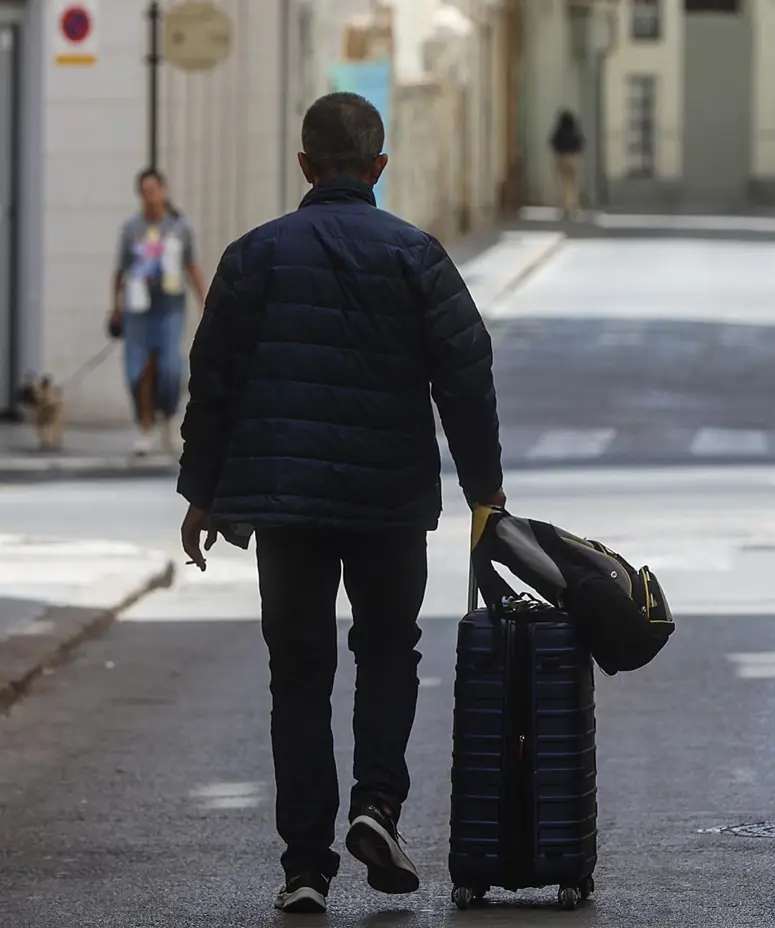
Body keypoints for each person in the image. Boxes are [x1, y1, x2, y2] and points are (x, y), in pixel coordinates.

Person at [175, 91, 506, 914]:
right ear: (378, 168)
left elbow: (210, 382)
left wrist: (201, 493)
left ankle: (304, 868)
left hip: (285, 507)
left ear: (303, 166)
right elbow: (466, 378)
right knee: (389, 652)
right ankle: (377, 805)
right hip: (389, 502)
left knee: (298, 674)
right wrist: (484, 494)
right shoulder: (417, 256)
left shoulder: (251, 257)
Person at [111, 168, 206, 455]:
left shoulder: (179, 227)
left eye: (154, 190)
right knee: (138, 368)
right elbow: (120, 270)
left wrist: (206, 300)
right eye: (144, 191)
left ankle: (168, 415)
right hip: (138, 307)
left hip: (169, 306)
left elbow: (192, 266)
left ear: (163, 191)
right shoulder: (131, 228)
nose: (150, 197)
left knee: (169, 367)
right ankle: (145, 424)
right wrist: (115, 306)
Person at [549, 109, 584, 217]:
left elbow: (552, 142)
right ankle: (571, 204)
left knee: (561, 183)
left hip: (560, 158)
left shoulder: (558, 131)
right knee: (572, 184)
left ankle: (562, 206)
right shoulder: (574, 131)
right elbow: (580, 143)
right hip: (572, 158)